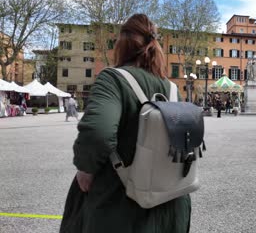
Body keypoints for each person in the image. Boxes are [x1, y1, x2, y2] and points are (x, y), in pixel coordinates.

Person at [60, 14, 191, 233]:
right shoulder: (172, 89)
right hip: (170, 202)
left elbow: (97, 133)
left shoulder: (112, 79)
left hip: (122, 206)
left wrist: (86, 168)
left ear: (121, 44)